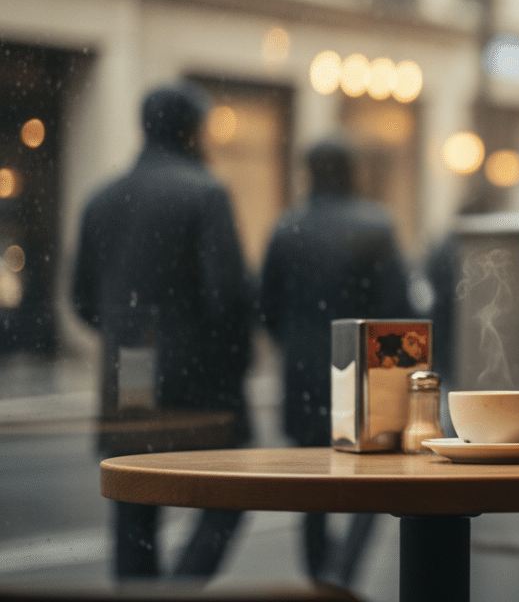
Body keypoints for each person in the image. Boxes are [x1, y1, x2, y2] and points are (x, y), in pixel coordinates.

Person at [71, 81, 252, 581]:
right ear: (192, 129)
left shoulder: (102, 198)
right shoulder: (205, 193)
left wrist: (130, 337)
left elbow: (81, 300)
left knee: (135, 511)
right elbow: (228, 298)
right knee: (229, 495)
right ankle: (177, 592)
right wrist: (233, 362)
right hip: (196, 375)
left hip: (130, 371)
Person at [259, 136, 413, 586]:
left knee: (313, 484)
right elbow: (397, 307)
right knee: (377, 474)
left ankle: (318, 578)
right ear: (351, 171)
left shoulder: (287, 226)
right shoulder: (376, 226)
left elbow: (266, 305)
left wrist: (294, 344)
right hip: (365, 369)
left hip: (303, 372)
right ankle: (343, 570)